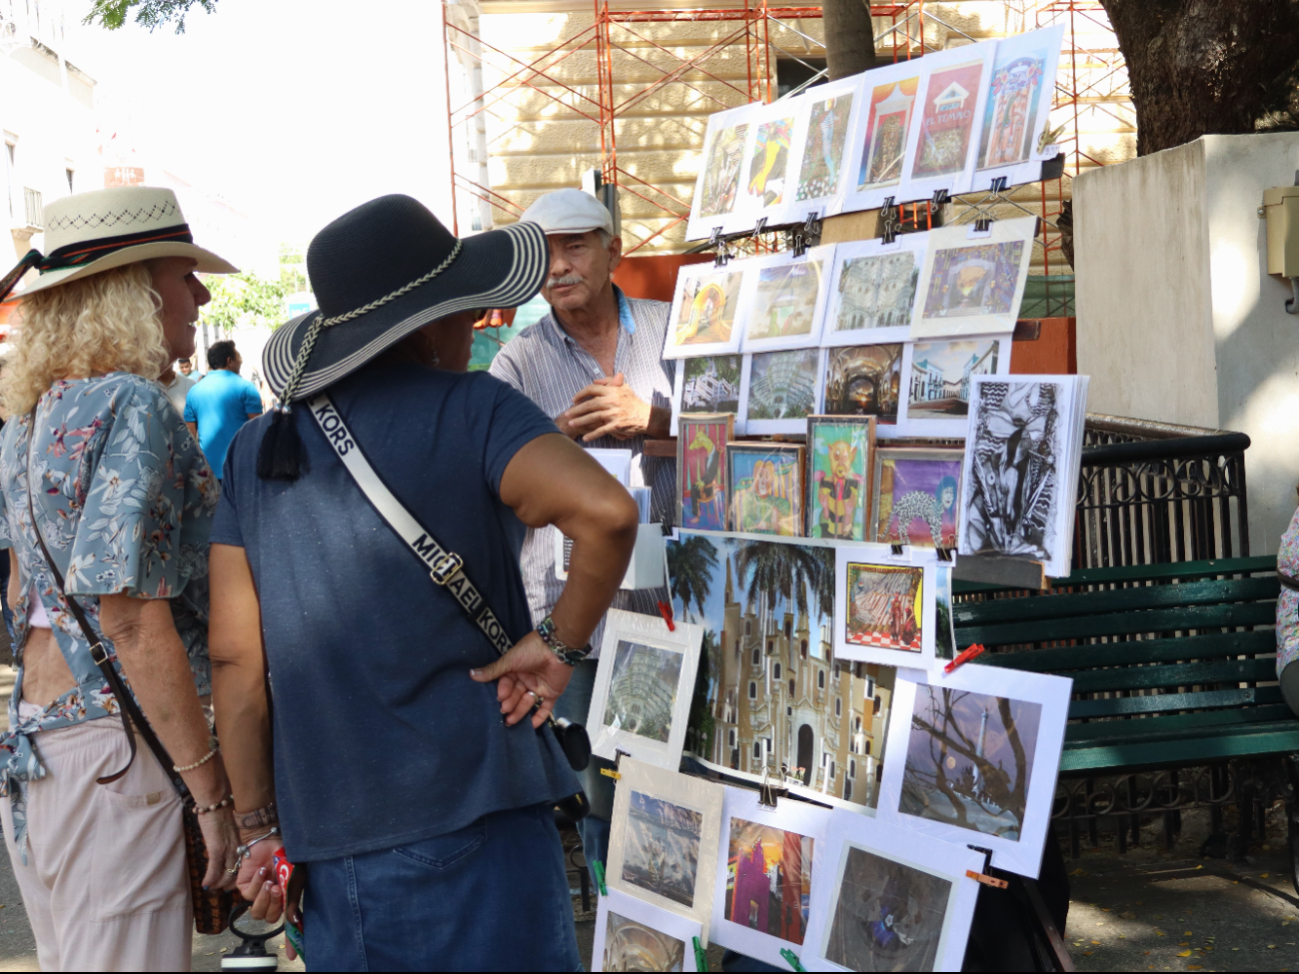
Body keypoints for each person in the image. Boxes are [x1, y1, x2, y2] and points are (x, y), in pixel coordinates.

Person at [207, 195, 638, 970]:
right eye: (464, 312)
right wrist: (558, 646)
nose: (472, 329)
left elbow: (238, 666)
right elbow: (606, 512)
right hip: (478, 809)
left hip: (331, 838)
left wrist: (256, 825)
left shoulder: (255, 449)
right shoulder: (474, 409)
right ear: (429, 321)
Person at [0, 186, 239, 971]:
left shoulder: (28, 420)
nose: (199, 294)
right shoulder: (131, 404)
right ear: (134, 291)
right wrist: (211, 794)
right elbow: (131, 621)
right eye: (183, 276)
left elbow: (17, 597)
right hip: (116, 752)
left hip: (35, 752)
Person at [487, 187, 675, 882]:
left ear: (612, 251)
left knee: (685, 782)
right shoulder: (516, 364)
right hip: (577, 618)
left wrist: (655, 420)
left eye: (575, 246)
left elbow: (742, 441)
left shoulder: (677, 327)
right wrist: (550, 442)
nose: (559, 267)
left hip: (677, 604)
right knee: (601, 797)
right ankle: (619, 949)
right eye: (545, 253)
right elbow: (492, 482)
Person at [183, 340, 262, 478]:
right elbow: (259, 429)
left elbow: (190, 436)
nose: (241, 361)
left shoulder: (194, 391)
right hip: (242, 469)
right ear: (229, 361)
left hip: (208, 472)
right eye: (239, 357)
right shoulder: (246, 388)